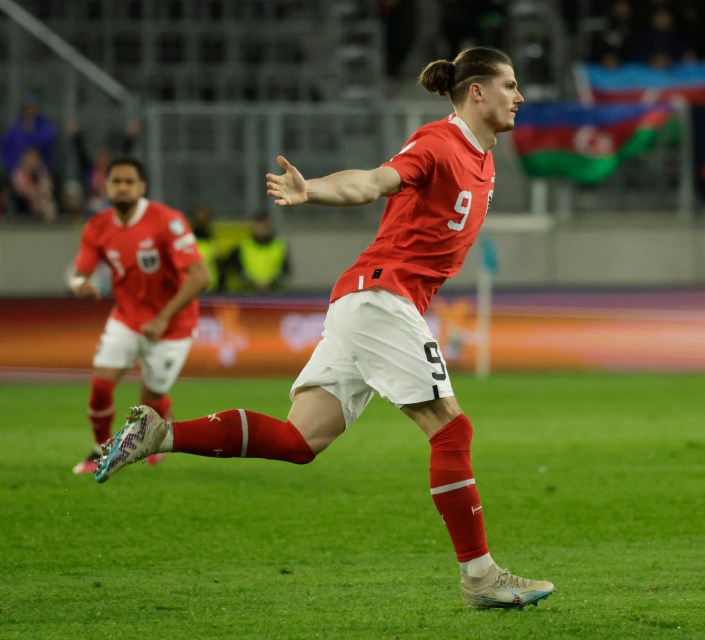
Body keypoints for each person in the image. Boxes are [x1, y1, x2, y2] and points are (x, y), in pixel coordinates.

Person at [93, 47, 554, 610]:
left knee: (299, 441)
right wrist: (313, 190)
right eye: (509, 85)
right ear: (476, 92)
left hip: (365, 303)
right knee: (451, 432)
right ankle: (481, 579)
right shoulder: (440, 141)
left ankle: (161, 435)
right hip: (381, 298)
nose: (520, 96)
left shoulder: (485, 159)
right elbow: (373, 181)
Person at [70, 157, 210, 474]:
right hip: (127, 318)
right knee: (101, 387)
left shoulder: (167, 221)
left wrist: (162, 317)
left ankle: (159, 427)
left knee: (150, 397)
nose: (122, 187)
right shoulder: (98, 226)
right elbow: (79, 273)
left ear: (142, 187)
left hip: (173, 325)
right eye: (115, 181)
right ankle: (100, 451)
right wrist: (80, 285)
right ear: (106, 187)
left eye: (129, 182)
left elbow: (201, 276)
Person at [220, 211, 291, 293]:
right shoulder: (243, 246)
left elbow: (285, 271)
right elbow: (234, 269)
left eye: (265, 226)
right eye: (259, 226)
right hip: (248, 295)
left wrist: (271, 282)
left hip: (274, 294)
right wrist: (252, 282)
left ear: (270, 227)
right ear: (253, 227)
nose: (262, 229)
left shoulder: (280, 246)